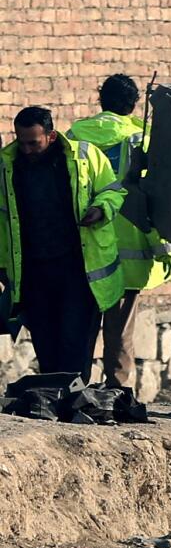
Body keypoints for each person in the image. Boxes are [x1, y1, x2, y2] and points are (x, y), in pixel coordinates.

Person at [0, 106, 126, 379]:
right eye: (21, 143)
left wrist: (101, 209)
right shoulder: (7, 166)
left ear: (52, 136)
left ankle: (73, 399)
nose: (27, 150)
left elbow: (113, 192)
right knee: (45, 342)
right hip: (34, 272)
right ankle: (53, 400)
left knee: (75, 341)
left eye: (33, 143)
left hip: (78, 270)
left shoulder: (86, 157)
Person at [69, 74, 171, 389]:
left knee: (82, 323)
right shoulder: (143, 139)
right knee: (120, 330)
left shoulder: (75, 136)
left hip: (86, 244)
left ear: (101, 99)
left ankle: (75, 386)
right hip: (130, 250)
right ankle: (116, 390)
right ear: (133, 105)